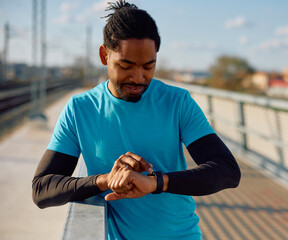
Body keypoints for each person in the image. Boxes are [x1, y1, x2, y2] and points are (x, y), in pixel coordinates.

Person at [32, 1, 241, 239]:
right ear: (104, 55)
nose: (138, 78)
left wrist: (155, 182)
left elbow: (227, 171)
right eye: (126, 65)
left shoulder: (177, 102)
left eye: (148, 66)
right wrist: (105, 180)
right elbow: (42, 189)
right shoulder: (80, 109)